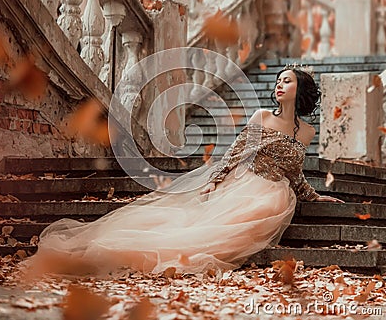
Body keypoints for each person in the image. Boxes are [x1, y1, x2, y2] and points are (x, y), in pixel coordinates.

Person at [21, 63, 344, 278]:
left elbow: (293, 173)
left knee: (261, 210)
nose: (278, 85)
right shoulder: (261, 116)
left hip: (277, 194)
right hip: (247, 182)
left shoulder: (307, 133)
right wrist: (215, 181)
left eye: (286, 81)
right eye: (277, 80)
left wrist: (318, 197)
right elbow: (235, 154)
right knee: (205, 228)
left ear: (299, 89)